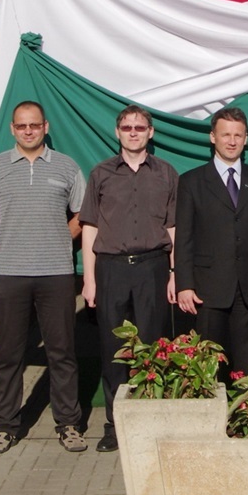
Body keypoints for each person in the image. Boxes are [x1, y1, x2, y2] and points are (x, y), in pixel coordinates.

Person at [0, 101, 88, 454]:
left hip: (56, 272)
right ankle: (6, 425)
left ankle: (68, 424)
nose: (28, 131)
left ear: (45, 127)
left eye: (34, 125)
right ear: (13, 129)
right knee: (9, 353)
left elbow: (82, 213)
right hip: (10, 273)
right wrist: (2, 241)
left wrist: (60, 238)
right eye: (22, 126)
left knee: (62, 352)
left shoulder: (67, 167)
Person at [80, 105, 178, 453]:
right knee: (114, 350)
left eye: (139, 127)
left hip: (153, 267)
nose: (133, 132)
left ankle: (151, 425)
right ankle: (115, 426)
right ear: (117, 132)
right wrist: (89, 279)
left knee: (152, 348)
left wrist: (174, 273)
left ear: (151, 132)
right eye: (127, 127)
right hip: (112, 269)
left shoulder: (166, 173)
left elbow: (173, 227)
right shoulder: (101, 173)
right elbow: (89, 227)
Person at [175, 107, 248, 377]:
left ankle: (247, 406)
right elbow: (184, 238)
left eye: (238, 135)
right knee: (208, 366)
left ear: (246, 139)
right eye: (226, 135)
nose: (232, 141)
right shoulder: (191, 182)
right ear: (213, 137)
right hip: (208, 289)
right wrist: (184, 285)